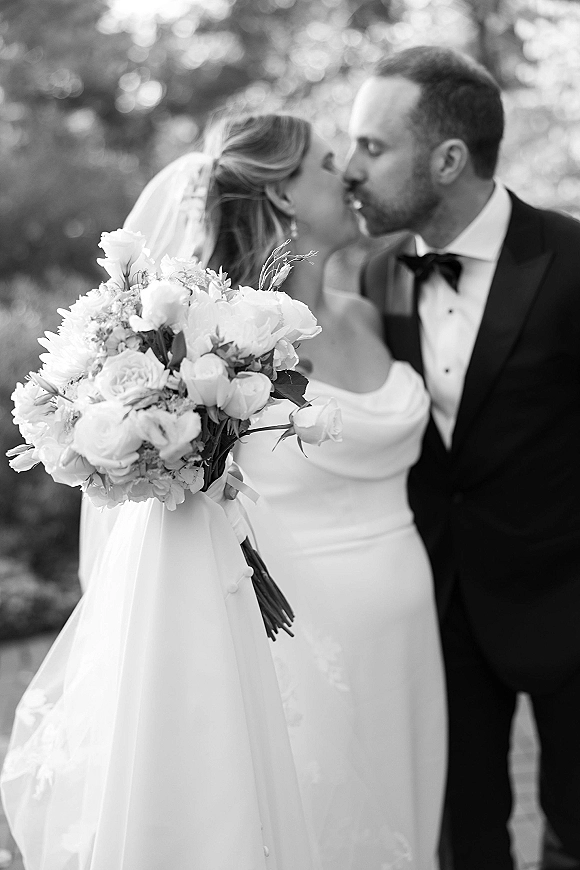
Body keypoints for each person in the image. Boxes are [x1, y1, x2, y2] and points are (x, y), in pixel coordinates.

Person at [2, 113, 446, 869]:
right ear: (281, 196)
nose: (350, 177)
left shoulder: (373, 312)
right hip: (303, 645)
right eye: (329, 164)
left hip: (409, 635)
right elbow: (177, 505)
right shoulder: (212, 347)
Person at [345, 44, 580, 870]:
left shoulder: (573, 259)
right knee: (462, 839)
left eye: (372, 147)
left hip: (569, 600)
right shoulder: (371, 276)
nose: (349, 169)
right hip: (436, 612)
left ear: (447, 159)